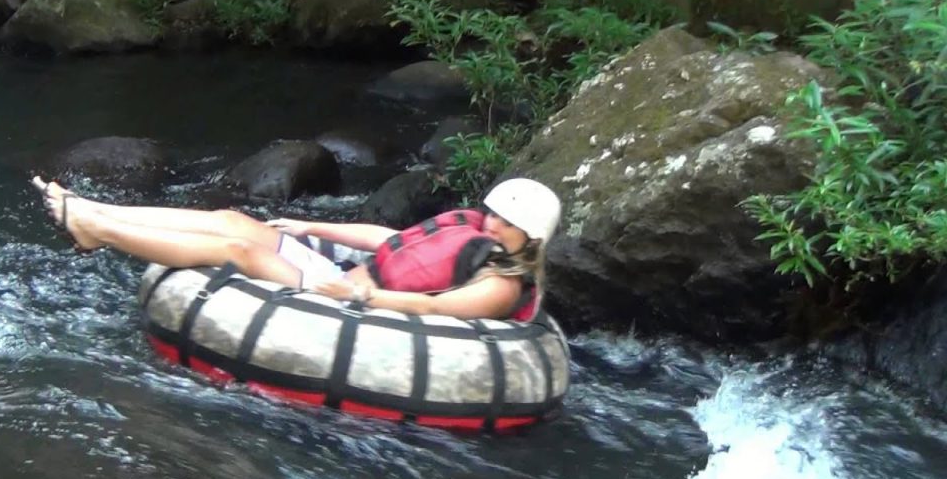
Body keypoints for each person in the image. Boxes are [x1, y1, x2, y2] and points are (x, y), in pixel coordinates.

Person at [31, 176, 561, 321]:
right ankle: (97, 209)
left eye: (505, 220)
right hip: (352, 275)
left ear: (529, 236)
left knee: (240, 249)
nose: (491, 221)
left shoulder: (500, 286)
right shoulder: (479, 237)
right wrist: (311, 226)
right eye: (492, 212)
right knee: (230, 219)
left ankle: (99, 232)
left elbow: (432, 305)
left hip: (348, 297)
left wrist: (355, 296)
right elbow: (392, 243)